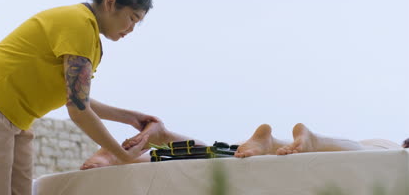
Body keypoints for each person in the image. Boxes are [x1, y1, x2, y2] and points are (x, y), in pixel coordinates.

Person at [0, 0, 157, 195]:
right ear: (110, 2)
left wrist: (129, 118)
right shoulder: (79, 24)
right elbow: (79, 110)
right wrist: (122, 155)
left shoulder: (88, 33)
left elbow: (75, 97)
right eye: (132, 18)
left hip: (17, 117)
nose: (131, 29)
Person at [80, 122, 404, 169]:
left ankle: (137, 155)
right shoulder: (397, 152)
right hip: (385, 149)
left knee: (225, 152)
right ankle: (312, 141)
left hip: (258, 146)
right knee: (369, 153)